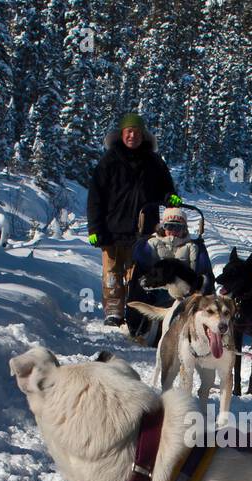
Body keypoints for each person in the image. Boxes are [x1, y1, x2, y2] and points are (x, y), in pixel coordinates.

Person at [86, 113, 181, 326]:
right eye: (129, 131)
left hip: (143, 229)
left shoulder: (154, 162)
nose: (133, 136)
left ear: (143, 135)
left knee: (137, 274)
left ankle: (134, 311)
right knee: (112, 274)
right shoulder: (108, 162)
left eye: (137, 132)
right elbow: (95, 197)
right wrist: (94, 228)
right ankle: (113, 312)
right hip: (111, 229)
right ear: (121, 134)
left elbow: (166, 189)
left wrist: (170, 198)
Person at [127, 206, 214, 343]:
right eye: (169, 226)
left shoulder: (192, 246)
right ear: (162, 227)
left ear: (184, 229)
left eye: (178, 227)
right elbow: (140, 260)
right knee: (137, 286)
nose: (173, 232)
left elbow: (202, 270)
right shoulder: (152, 242)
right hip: (155, 288)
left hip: (183, 289)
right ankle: (138, 327)